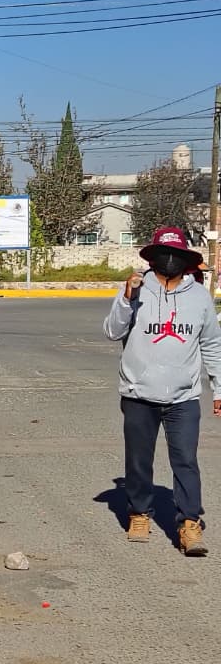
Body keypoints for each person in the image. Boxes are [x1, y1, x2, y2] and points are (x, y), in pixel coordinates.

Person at [102, 226, 221, 556]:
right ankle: (139, 513)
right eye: (163, 255)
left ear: (186, 260)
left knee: (186, 460)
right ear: (151, 258)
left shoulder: (198, 296)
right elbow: (112, 331)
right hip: (138, 393)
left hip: (184, 396)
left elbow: (212, 343)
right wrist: (127, 298)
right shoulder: (135, 290)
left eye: (176, 256)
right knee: (139, 460)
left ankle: (189, 524)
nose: (169, 261)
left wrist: (219, 388)